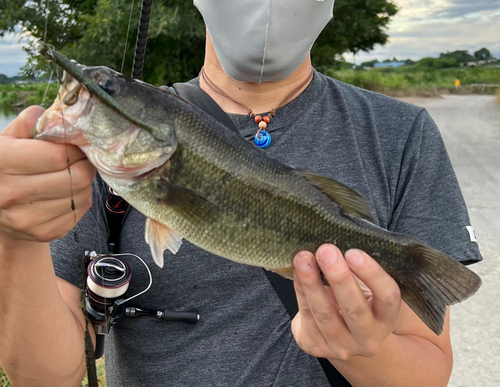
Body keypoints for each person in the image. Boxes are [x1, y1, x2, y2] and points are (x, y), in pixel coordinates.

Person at [0, 0, 481, 386]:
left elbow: (428, 370)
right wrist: (16, 242)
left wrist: (360, 351)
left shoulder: (401, 133)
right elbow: (44, 379)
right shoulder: (87, 165)